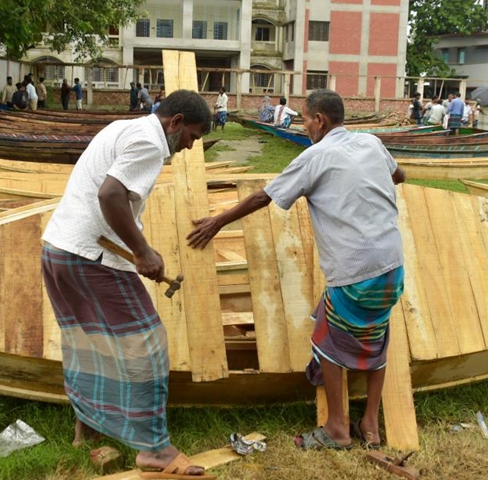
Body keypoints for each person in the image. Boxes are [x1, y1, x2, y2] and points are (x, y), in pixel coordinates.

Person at [187, 89, 406, 451]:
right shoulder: (371, 143)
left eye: (304, 119)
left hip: (355, 271)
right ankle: (370, 424)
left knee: (327, 339)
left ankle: (337, 428)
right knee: (376, 336)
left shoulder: (315, 156)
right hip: (392, 267)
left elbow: (263, 197)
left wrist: (218, 221)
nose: (303, 126)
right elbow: (400, 175)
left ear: (319, 120)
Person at [40, 89, 215, 478]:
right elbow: (110, 194)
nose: (189, 147)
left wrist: (134, 248)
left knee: (87, 339)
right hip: (90, 256)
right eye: (193, 137)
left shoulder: (123, 127)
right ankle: (154, 450)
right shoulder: (150, 143)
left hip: (58, 249)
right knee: (148, 344)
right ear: (176, 123)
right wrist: (142, 252)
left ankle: (86, 424)